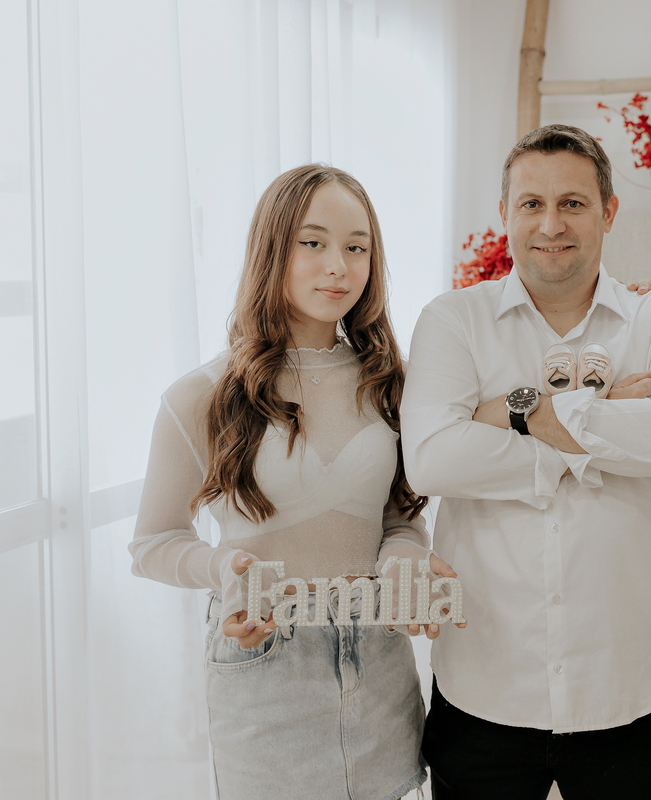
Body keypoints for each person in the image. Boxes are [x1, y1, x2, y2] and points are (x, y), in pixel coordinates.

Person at [401, 123, 651, 800]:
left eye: (572, 203)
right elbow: (430, 461)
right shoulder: (453, 320)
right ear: (505, 213)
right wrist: (604, 428)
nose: (551, 224)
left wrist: (520, 413)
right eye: (532, 204)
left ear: (608, 211)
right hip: (483, 687)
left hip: (628, 690)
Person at [129, 164, 456, 800]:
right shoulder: (202, 395)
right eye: (313, 243)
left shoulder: (395, 382)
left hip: (379, 662)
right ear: (272, 247)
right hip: (264, 666)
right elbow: (152, 544)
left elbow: (399, 518)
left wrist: (403, 561)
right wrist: (226, 570)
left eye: (357, 247)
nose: (338, 266)